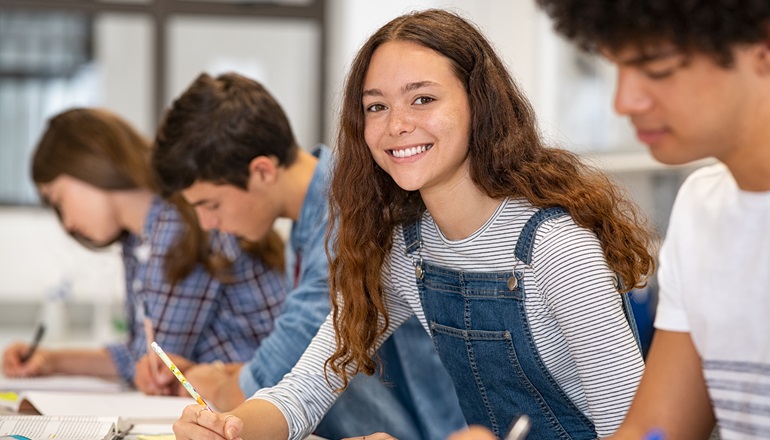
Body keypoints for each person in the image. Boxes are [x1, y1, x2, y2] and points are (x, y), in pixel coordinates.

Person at [171, 9, 656, 440]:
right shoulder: (403, 252)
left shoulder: (556, 248)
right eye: (376, 106)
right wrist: (229, 427)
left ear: (479, 104)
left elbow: (639, 430)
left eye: (422, 99)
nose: (395, 125)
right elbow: (301, 394)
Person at [146, 71, 467, 440]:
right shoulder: (310, 217)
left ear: (263, 171)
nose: (207, 223)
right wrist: (219, 375)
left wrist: (216, 380)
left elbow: (274, 373)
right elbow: (301, 376)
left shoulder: (346, 217)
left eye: (210, 204)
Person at [531, 1, 770, 439]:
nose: (624, 101)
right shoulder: (702, 207)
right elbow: (656, 429)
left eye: (656, 67)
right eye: (615, 66)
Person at [0, 108, 287, 387]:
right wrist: (49, 361)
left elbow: (155, 365)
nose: (67, 224)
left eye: (59, 200)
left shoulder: (179, 226)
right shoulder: (140, 239)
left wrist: (55, 361)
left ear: (89, 164)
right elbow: (143, 354)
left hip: (265, 400)